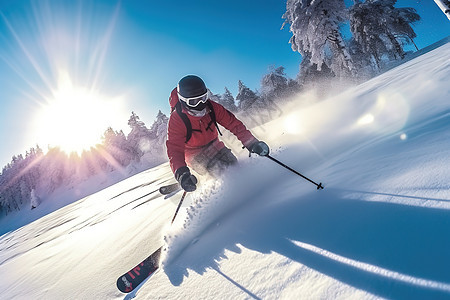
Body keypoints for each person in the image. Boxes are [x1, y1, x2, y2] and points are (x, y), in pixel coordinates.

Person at [166, 75, 269, 192]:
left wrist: (251, 143)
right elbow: (174, 149)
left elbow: (234, 124)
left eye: (203, 98)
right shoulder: (177, 119)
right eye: (193, 102)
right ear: (183, 101)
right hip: (195, 155)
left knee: (234, 167)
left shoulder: (212, 107)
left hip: (215, 145)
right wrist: (181, 172)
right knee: (222, 174)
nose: (200, 104)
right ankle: (200, 183)